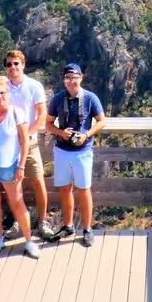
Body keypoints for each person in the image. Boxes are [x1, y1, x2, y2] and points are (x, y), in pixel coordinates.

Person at [0, 75, 41, 258]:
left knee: (17, 203)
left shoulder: (16, 113)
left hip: (9, 167)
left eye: (2, 93)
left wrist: (20, 167)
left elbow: (24, 141)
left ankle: (28, 241)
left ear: (8, 93)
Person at [45, 62, 105, 248]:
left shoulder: (90, 98)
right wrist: (62, 133)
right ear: (64, 80)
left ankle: (87, 229)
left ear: (81, 77)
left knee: (84, 190)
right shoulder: (57, 99)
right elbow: (48, 124)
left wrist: (85, 135)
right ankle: (68, 226)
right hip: (62, 150)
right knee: (65, 189)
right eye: (68, 78)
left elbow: (102, 121)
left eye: (74, 77)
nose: (71, 81)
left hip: (83, 151)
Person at [0, 49, 53, 239]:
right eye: (9, 64)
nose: (13, 67)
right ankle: (17, 222)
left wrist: (28, 134)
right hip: (9, 145)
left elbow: (42, 115)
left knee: (38, 181)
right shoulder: (2, 86)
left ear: (23, 64)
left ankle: (42, 221)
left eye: (16, 63)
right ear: (5, 68)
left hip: (30, 144)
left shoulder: (34, 86)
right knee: (15, 185)